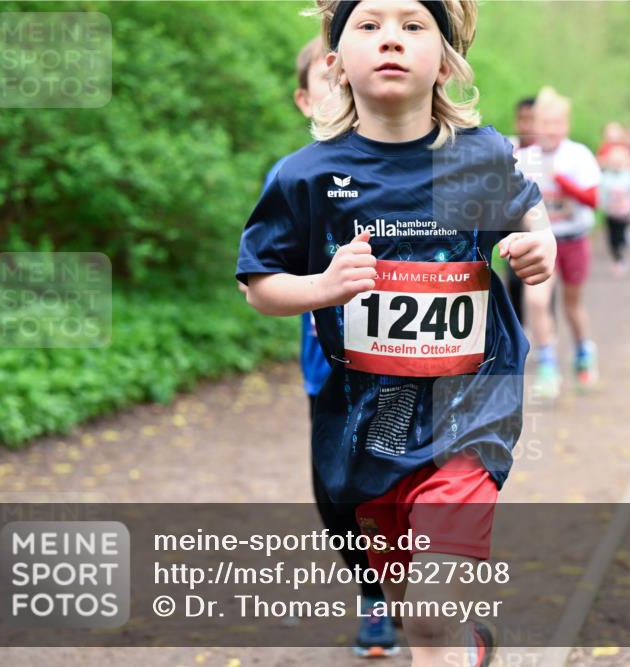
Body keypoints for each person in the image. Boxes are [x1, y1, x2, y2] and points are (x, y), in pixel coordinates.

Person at [237, 3, 556, 666]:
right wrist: (322, 286)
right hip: (371, 419)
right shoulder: (308, 176)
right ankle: (462, 649)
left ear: (444, 61)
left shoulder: (476, 157)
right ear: (335, 61)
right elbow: (258, 283)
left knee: (433, 603)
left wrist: (540, 246)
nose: (391, 40)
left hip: (469, 406)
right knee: (418, 613)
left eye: (413, 27)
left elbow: (529, 210)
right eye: (370, 25)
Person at [257, 35, 401, 659]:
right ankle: (373, 592)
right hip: (331, 368)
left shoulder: (407, 161)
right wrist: (320, 286)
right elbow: (263, 277)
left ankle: (420, 583)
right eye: (328, 78)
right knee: (336, 486)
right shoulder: (294, 177)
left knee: (408, 473)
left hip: (415, 364)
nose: (342, 88)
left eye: (351, 78)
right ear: (304, 98)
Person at [515, 86, 601, 398]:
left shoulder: (578, 156)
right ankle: (548, 366)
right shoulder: (523, 159)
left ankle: (583, 353)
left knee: (571, 307)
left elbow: (593, 199)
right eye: (544, 123)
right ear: (533, 125)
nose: (550, 130)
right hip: (540, 242)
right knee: (536, 301)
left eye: (557, 123)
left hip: (573, 240)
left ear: (566, 125)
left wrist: (563, 181)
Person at [505, 96, 537, 324]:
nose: (526, 125)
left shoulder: (545, 152)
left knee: (541, 285)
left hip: (539, 229)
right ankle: (519, 329)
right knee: (514, 282)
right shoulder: (506, 148)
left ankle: (547, 336)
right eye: (522, 119)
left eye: (531, 119)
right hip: (512, 231)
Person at [598, 144, 630, 276]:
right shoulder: (606, 177)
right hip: (611, 214)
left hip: (626, 214)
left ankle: (622, 259)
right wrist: (601, 206)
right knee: (612, 239)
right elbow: (601, 193)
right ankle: (617, 259)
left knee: (622, 237)